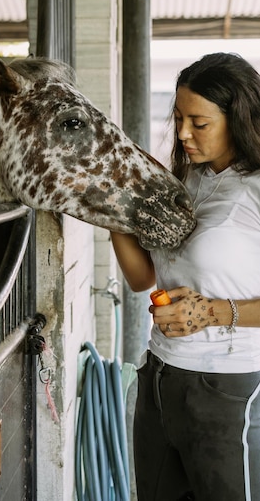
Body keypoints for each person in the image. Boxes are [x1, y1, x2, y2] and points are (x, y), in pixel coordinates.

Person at [111, 52, 260, 501]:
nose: (182, 133)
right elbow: (142, 279)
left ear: (238, 118)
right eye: (178, 118)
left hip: (228, 389)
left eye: (199, 122)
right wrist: (112, 210)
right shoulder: (186, 181)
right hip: (159, 378)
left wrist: (210, 313)